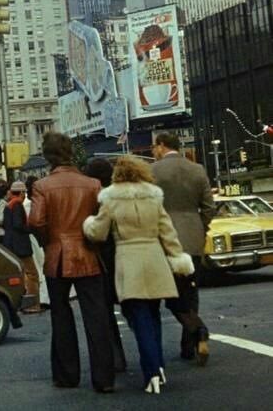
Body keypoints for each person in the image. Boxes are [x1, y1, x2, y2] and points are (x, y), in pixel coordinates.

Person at [83, 155, 192, 394]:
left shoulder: (110, 199)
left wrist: (88, 223)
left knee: (140, 317)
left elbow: (98, 232)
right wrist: (178, 259)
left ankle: (152, 370)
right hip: (154, 258)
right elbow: (168, 232)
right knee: (153, 315)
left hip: (128, 261)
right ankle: (159, 366)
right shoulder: (154, 197)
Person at [29, 132, 115, 393]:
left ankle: (67, 375)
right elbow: (104, 220)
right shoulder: (92, 185)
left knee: (61, 315)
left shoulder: (42, 186)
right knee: (96, 316)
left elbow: (35, 222)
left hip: (57, 256)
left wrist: (49, 241)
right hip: (88, 253)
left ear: (47, 156)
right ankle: (104, 378)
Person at [152, 132, 215, 366]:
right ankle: (189, 345)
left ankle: (198, 330)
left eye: (154, 147)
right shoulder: (197, 169)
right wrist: (201, 227)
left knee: (170, 294)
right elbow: (209, 207)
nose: (153, 152)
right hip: (193, 237)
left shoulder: (153, 172)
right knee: (191, 290)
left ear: (161, 146)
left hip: (164, 239)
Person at [84, 158, 127, 373]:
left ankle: (116, 357)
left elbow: (97, 231)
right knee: (136, 309)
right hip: (128, 257)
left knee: (105, 313)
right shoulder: (123, 194)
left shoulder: (98, 198)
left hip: (103, 260)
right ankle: (151, 354)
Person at [3, 181, 41, 313]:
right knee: (32, 275)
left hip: (11, 245)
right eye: (24, 192)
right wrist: (30, 228)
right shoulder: (17, 204)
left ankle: (22, 304)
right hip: (21, 245)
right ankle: (33, 304)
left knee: (21, 275)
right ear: (21, 193)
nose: (25, 195)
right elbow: (18, 224)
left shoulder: (8, 205)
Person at [24, 176, 49, 307]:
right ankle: (44, 297)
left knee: (37, 268)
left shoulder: (25, 205)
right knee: (41, 266)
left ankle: (41, 298)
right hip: (38, 237)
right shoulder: (37, 203)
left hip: (30, 238)